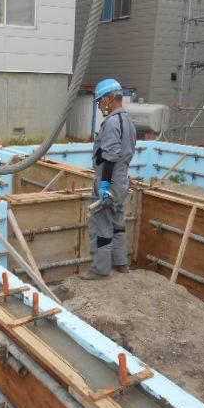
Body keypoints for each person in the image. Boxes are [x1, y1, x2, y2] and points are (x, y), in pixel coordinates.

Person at [81, 79, 137, 280]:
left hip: (110, 180)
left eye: (100, 100)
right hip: (121, 180)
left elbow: (110, 156)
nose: (100, 105)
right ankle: (121, 264)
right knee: (117, 222)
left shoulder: (112, 122)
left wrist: (104, 185)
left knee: (101, 224)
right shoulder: (128, 121)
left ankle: (100, 269)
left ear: (110, 97)